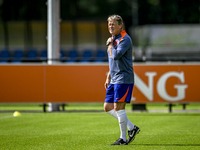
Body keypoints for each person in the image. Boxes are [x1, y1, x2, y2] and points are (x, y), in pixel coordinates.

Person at [104, 14, 140, 145]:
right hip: (114, 78)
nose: (111, 26)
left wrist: (109, 45)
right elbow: (112, 61)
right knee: (108, 107)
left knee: (119, 108)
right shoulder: (113, 39)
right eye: (109, 24)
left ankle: (123, 139)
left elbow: (117, 55)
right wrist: (108, 76)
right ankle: (132, 128)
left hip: (123, 77)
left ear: (121, 25)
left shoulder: (125, 39)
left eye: (113, 24)